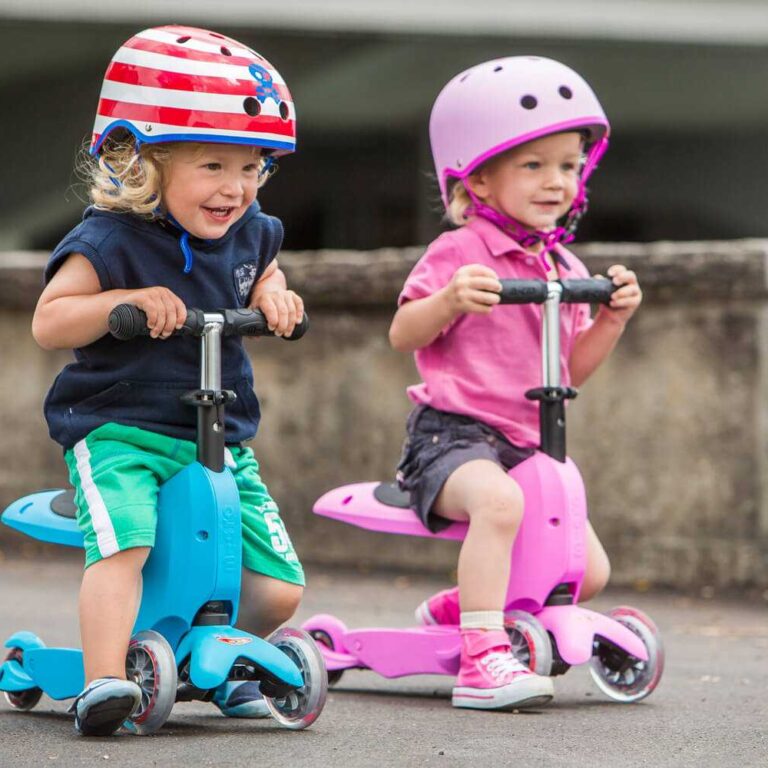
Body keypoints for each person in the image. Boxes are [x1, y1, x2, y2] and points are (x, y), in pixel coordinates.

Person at [31, 26, 305, 735]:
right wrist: (121, 305)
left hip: (218, 439)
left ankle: (215, 662)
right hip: (119, 431)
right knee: (126, 546)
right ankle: (104, 679)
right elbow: (50, 321)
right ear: (142, 163)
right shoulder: (107, 240)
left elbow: (263, 271)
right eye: (214, 166)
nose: (236, 188)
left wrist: (275, 292)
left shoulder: (254, 232)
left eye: (252, 168)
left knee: (277, 590)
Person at [390, 56, 642, 711]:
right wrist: (448, 301)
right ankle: (479, 659)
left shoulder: (564, 263)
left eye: (567, 164)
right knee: (500, 506)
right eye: (533, 165)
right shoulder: (459, 252)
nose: (556, 180)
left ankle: (459, 605)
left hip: (530, 438)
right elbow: (403, 334)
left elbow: (569, 373)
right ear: (476, 179)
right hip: (451, 438)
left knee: (585, 572)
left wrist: (612, 320)